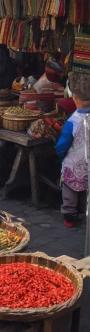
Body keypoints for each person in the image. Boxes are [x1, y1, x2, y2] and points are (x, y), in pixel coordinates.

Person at [55, 72, 90, 228]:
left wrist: (61, 156)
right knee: (85, 190)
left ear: (75, 98)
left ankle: (69, 217)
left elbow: (63, 144)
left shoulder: (74, 120)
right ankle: (83, 212)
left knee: (70, 191)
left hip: (73, 163)